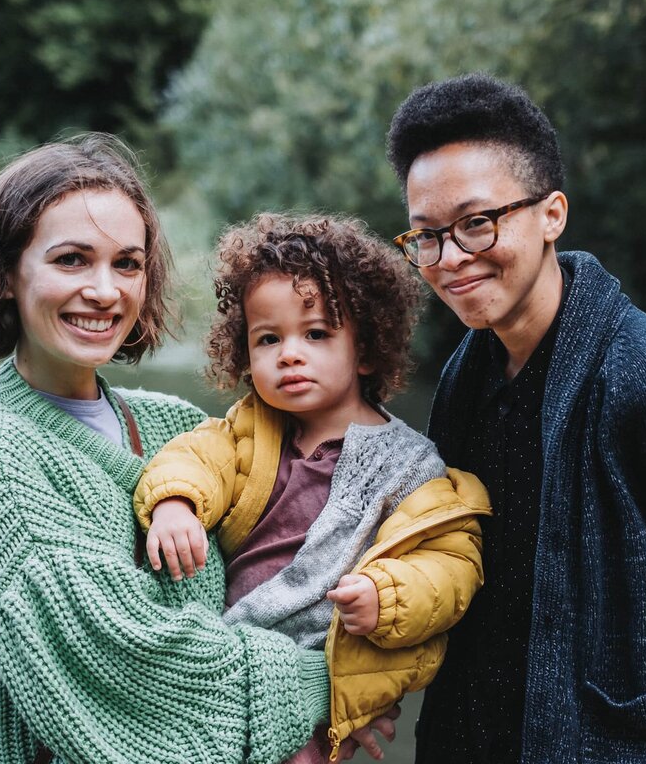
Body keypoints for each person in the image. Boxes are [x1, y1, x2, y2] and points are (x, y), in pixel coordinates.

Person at [0, 135, 390, 763]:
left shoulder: (181, 430)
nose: (106, 291)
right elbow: (122, 663)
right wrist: (327, 686)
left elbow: (277, 586)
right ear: (6, 273)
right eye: (72, 260)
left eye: (128, 263)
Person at [385, 73, 646, 764]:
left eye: (477, 223)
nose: (450, 259)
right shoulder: (465, 377)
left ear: (552, 214)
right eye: (427, 236)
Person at [132, 213, 491, 763]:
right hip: (234, 657)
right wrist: (176, 502)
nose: (289, 354)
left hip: (324, 672)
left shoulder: (411, 466)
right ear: (245, 355)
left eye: (316, 334)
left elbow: (449, 563)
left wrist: (387, 597)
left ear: (366, 349)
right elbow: (194, 456)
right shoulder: (248, 430)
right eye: (268, 338)